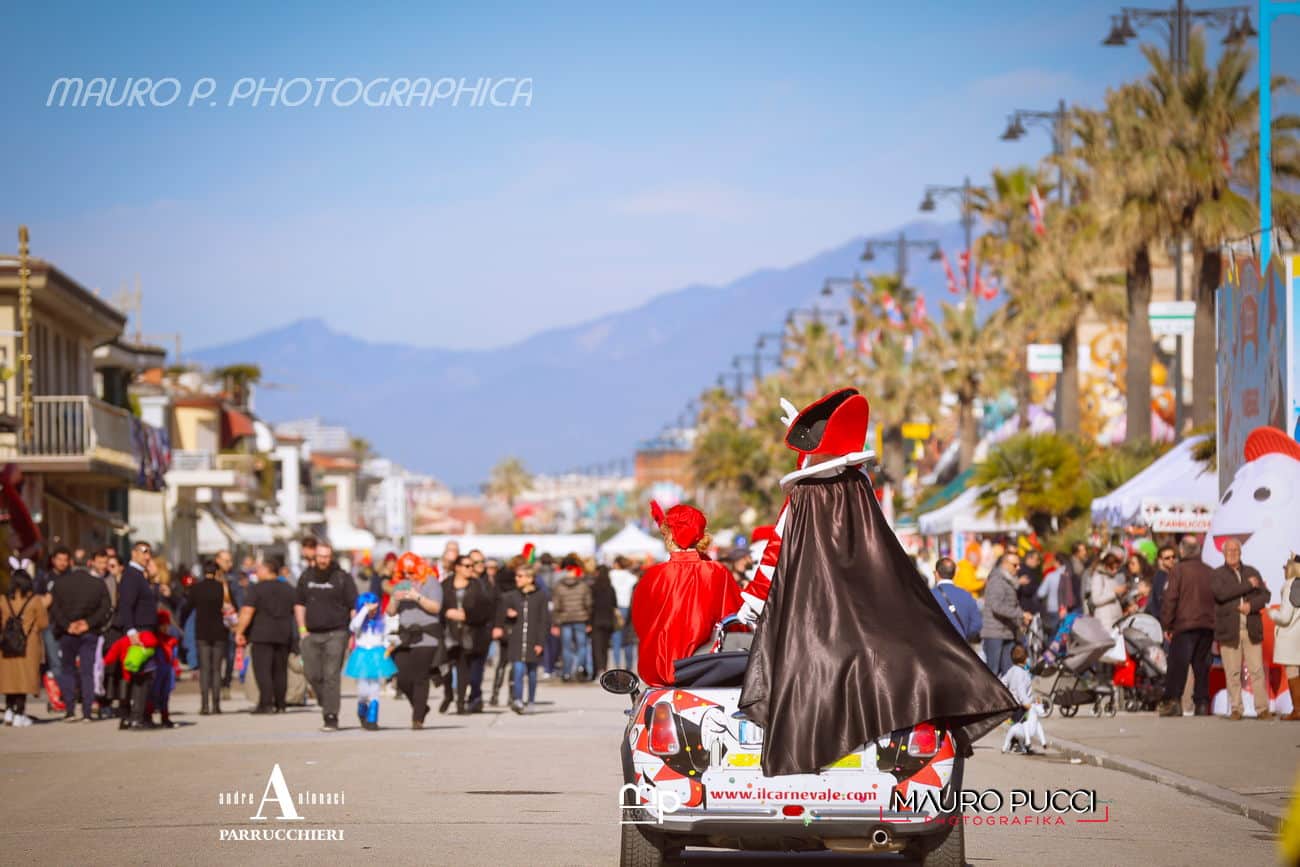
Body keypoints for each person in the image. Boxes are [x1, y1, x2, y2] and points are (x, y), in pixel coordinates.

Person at [736, 388, 1017, 778]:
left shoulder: (803, 502)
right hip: (871, 641)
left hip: (810, 640)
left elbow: (772, 563)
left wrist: (747, 611)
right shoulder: (860, 497)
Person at [631, 502, 743, 687]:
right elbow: (735, 620)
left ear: (668, 535)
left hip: (659, 669)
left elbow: (641, 623)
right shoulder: (716, 572)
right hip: (708, 668)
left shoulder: (654, 575)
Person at [294, 542, 357, 732]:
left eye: (326, 556)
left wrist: (353, 632)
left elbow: (353, 606)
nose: (323, 560)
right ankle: (325, 698)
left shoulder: (341, 577)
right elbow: (299, 604)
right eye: (320, 556)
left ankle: (331, 716)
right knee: (311, 673)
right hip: (311, 633)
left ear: (331, 557)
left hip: (337, 633)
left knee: (331, 675)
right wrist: (302, 629)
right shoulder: (306, 576)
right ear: (315, 557)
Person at [1212, 538, 1272, 720]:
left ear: (1241, 552)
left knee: (1257, 671)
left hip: (1251, 628)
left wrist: (1251, 606)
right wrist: (1247, 585)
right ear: (1223, 553)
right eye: (1229, 550)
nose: (1232, 553)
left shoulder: (1252, 571)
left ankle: (1262, 709)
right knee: (1232, 672)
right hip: (1229, 630)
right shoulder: (1217, 575)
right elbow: (1222, 595)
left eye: (1236, 550)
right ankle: (1236, 709)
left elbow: (1265, 595)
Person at [1157, 536, 1217, 717]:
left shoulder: (1178, 570)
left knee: (1178, 665)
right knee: (1202, 667)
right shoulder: (1209, 571)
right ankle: (1201, 703)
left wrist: (1167, 624)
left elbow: (1170, 598)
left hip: (1184, 624)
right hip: (1207, 624)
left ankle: (1174, 702)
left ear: (1182, 551)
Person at [49, 558, 113, 722]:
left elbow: (54, 607)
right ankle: (87, 711)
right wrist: (88, 623)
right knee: (87, 672)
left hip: (67, 633)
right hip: (89, 632)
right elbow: (105, 607)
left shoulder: (60, 584)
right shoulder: (97, 584)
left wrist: (67, 625)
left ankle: (70, 710)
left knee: (68, 670)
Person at [385, 552, 442, 729]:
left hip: (426, 636)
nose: (408, 576)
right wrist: (395, 598)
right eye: (404, 573)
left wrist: (417, 597)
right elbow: (390, 611)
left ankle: (417, 718)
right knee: (402, 679)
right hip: (406, 636)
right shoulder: (400, 584)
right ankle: (421, 707)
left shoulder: (431, 582)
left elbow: (436, 607)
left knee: (420, 677)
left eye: (411, 572)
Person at [234, 558, 298, 714]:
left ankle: (266, 703)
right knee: (280, 670)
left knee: (263, 670)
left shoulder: (256, 589)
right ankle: (281, 704)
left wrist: (239, 631)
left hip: (261, 634)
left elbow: (247, 611)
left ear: (268, 570)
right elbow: (296, 610)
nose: (257, 571)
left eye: (260, 568)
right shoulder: (288, 588)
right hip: (283, 634)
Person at [439, 555, 495, 715]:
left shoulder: (477, 585)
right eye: (467, 566)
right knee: (445, 669)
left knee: (463, 669)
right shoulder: (445, 585)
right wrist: (447, 613)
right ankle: (448, 694)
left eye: (472, 566)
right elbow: (437, 606)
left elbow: (485, 609)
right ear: (457, 567)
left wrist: (467, 615)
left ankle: (460, 703)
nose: (471, 568)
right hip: (448, 632)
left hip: (468, 633)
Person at [113, 542, 158, 728]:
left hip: (144, 629)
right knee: (142, 674)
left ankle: (131, 716)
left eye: (149, 552)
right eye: (143, 552)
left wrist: (154, 580)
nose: (147, 556)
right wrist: (131, 630)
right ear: (134, 553)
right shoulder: (132, 575)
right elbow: (125, 604)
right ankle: (136, 717)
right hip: (139, 630)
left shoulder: (140, 575)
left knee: (137, 673)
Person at [498, 562, 550, 713]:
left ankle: (531, 700)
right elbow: (502, 615)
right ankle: (518, 699)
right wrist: (508, 615)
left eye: (520, 576)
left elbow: (544, 620)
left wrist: (540, 642)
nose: (517, 579)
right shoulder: (512, 596)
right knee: (518, 670)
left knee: (532, 672)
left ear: (530, 578)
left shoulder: (540, 596)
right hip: (517, 640)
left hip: (533, 640)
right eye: (516, 576)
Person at [0, 571, 47, 727]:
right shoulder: (35, 601)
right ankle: (20, 713)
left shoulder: (3, 600)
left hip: (7, 644)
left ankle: (8, 711)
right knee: (24, 679)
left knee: (9, 679)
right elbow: (43, 623)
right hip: (29, 644)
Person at [344, 592, 395, 731]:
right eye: (369, 608)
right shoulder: (358, 621)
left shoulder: (381, 621)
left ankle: (372, 719)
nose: (372, 611)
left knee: (374, 689)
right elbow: (353, 627)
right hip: (361, 656)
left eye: (374, 608)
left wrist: (387, 647)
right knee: (362, 691)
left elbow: (385, 637)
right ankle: (362, 710)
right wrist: (364, 610)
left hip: (377, 655)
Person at [186, 559, 228, 715]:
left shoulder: (197, 588)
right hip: (219, 632)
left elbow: (187, 607)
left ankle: (205, 706)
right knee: (217, 670)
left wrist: (182, 623)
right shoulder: (222, 588)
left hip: (202, 632)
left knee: (204, 669)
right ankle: (216, 706)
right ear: (216, 572)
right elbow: (233, 606)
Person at [981, 551, 1029, 677]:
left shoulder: (1008, 580)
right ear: (1005, 564)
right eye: (1015, 565)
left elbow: (1009, 603)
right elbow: (996, 606)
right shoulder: (997, 580)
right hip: (995, 633)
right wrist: (1020, 614)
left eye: (1019, 565)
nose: (1018, 568)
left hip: (1007, 632)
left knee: (1008, 672)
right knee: (993, 672)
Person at [36, 545, 73, 684]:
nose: (62, 563)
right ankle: (59, 691)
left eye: (65, 560)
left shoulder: (72, 577)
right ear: (53, 560)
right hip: (50, 624)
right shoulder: (45, 577)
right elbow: (37, 598)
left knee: (68, 659)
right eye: (59, 559)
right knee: (54, 659)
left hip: (69, 624)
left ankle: (68, 690)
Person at [550, 563, 593, 682]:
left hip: (564, 619)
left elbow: (556, 606)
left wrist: (555, 622)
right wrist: (588, 619)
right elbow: (588, 604)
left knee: (566, 647)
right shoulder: (583, 586)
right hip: (581, 618)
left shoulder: (558, 586)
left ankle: (567, 673)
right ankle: (580, 667)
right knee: (582, 645)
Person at [1271, 555, 1300, 721]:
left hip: (1290, 636)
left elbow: (1285, 617)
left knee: (1292, 672)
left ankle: (1297, 709)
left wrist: (1273, 613)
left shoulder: (1289, 586)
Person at [931, 557, 982, 645]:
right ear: (954, 574)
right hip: (961, 645)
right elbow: (977, 623)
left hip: (937, 644)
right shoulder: (966, 595)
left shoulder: (930, 595)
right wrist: (965, 633)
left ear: (936, 574)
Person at [998, 645, 1036, 753]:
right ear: (1025, 659)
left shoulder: (1011, 670)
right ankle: (1018, 745)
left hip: (1013, 705)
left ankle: (1016, 745)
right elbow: (1021, 691)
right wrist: (1026, 703)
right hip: (1021, 707)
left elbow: (1002, 682)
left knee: (1016, 726)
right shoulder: (1021, 673)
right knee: (1022, 727)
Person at [608, 557, 638, 671]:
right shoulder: (632, 578)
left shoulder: (610, 575)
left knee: (616, 637)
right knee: (628, 638)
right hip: (628, 607)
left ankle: (617, 665)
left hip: (615, 608)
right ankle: (629, 666)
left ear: (616, 564)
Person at [588, 565, 618, 677]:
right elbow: (614, 604)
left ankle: (599, 669)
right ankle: (604, 668)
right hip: (608, 621)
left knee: (596, 646)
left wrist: (589, 623)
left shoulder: (593, 588)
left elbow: (591, 606)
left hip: (596, 621)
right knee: (605, 647)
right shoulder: (610, 588)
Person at [1088, 549, 1127, 631]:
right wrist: (1114, 593)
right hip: (1105, 620)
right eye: (1113, 568)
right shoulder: (1098, 577)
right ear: (1106, 566)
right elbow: (1096, 600)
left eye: (1117, 568)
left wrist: (1122, 593)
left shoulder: (1111, 577)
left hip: (1115, 619)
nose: (1115, 570)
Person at [1148, 545, 1177, 618]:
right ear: (1160, 560)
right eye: (1167, 558)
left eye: (1173, 557)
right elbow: (1162, 602)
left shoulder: (1170, 575)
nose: (1171, 559)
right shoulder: (1161, 577)